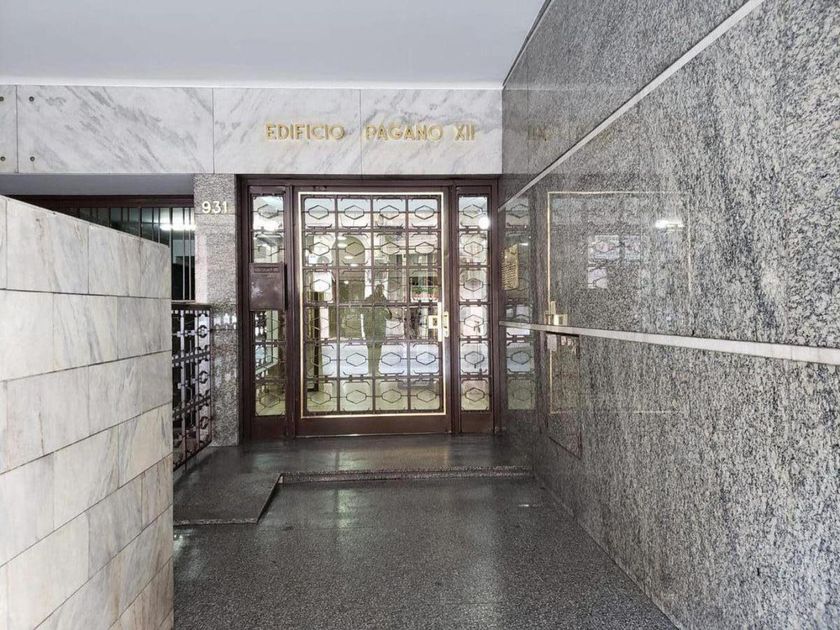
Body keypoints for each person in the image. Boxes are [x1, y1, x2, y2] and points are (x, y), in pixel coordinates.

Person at [364, 284, 392, 376]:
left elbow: (389, 316)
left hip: (380, 328)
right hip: (370, 328)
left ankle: (376, 369)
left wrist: (385, 310)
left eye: (382, 289)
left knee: (378, 350)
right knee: (371, 349)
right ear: (375, 289)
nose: (380, 291)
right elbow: (362, 311)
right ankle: (370, 370)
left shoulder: (384, 300)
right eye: (379, 289)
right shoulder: (368, 299)